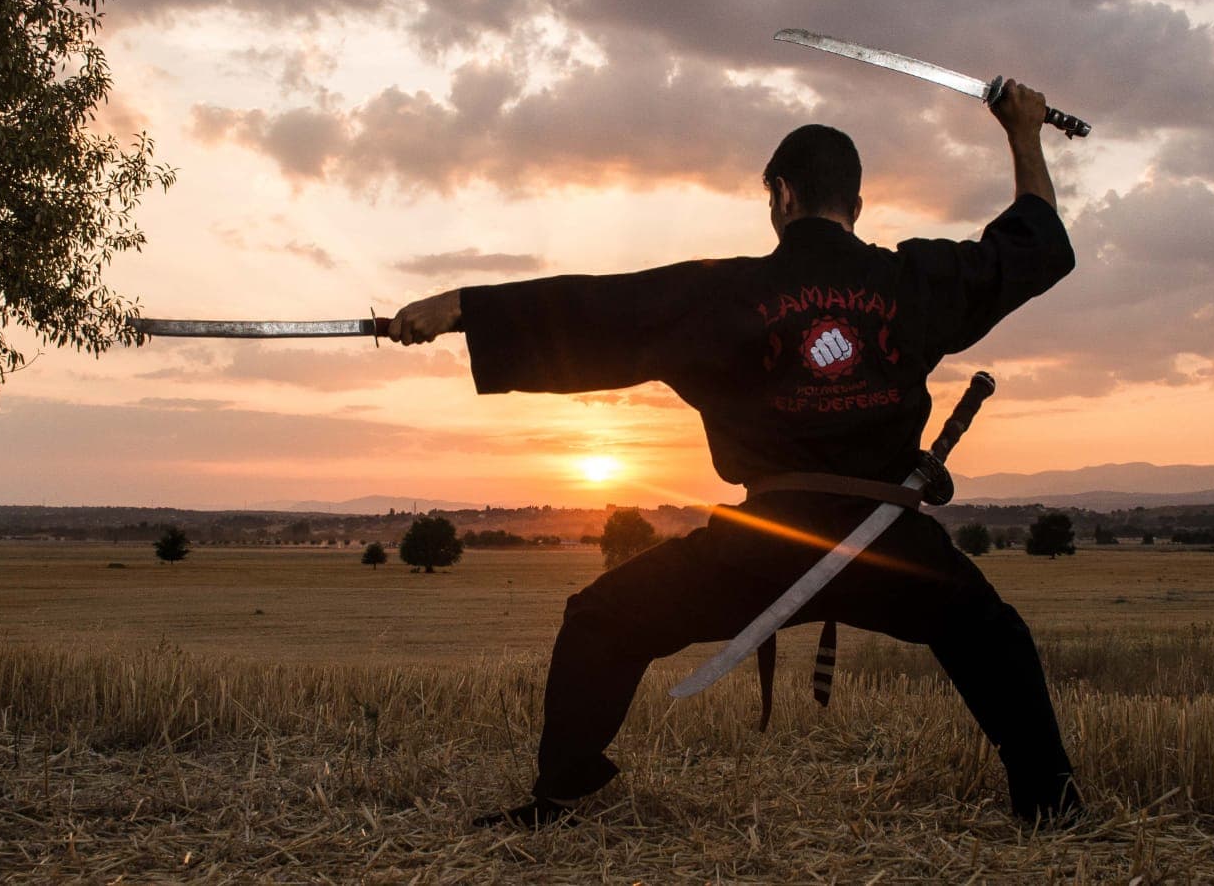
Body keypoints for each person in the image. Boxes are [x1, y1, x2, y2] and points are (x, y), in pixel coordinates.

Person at [388, 81, 1081, 829]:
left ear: (780, 195)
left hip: (765, 547)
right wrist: (1023, 131)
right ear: (856, 202)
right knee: (990, 634)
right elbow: (1035, 246)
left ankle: (559, 794)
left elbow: (596, 311)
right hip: (888, 546)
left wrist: (461, 308)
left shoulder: (725, 294)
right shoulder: (913, 281)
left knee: (601, 619)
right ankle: (1052, 804)